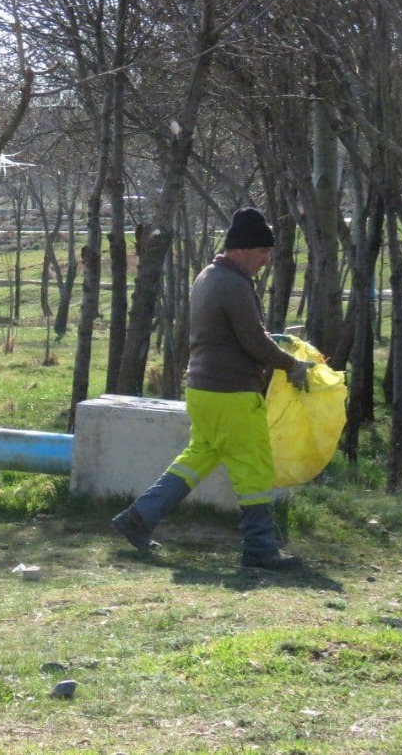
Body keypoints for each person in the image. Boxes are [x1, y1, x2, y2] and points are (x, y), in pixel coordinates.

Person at [111, 207, 314, 570]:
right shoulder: (234, 284)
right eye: (262, 252)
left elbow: (235, 333)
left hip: (202, 390)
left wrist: (273, 341)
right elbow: (252, 340)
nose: (266, 260)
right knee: (254, 467)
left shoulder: (209, 276)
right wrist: (291, 363)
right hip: (232, 392)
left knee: (198, 457)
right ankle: (260, 548)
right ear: (241, 250)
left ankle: (139, 517)